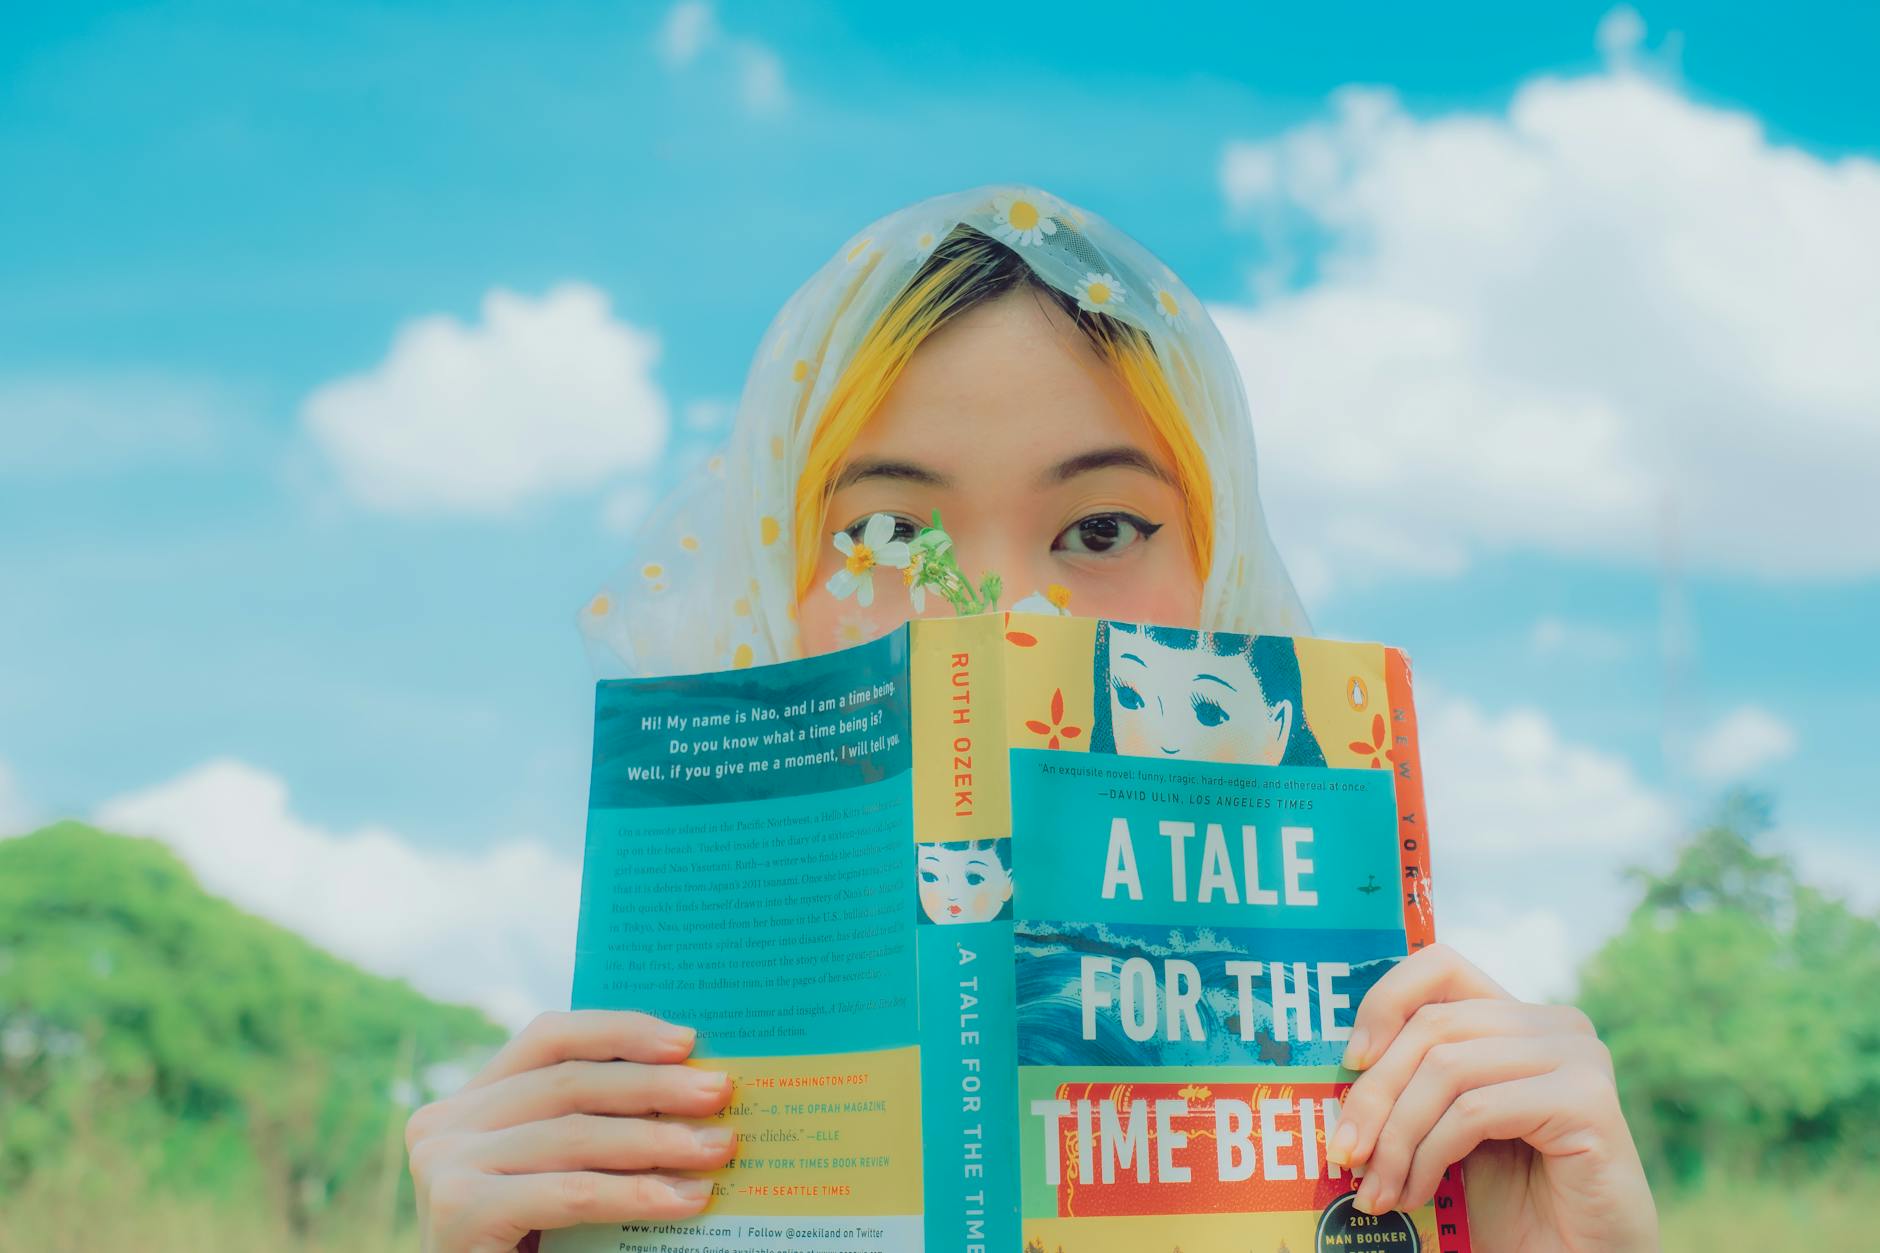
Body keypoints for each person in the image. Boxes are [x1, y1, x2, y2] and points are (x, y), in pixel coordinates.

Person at [406, 186, 1658, 1253]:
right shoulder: (605, 1130)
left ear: (1218, 566)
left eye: (1102, 528)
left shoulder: (1416, 1100)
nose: (1002, 615)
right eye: (888, 533)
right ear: (763, 576)